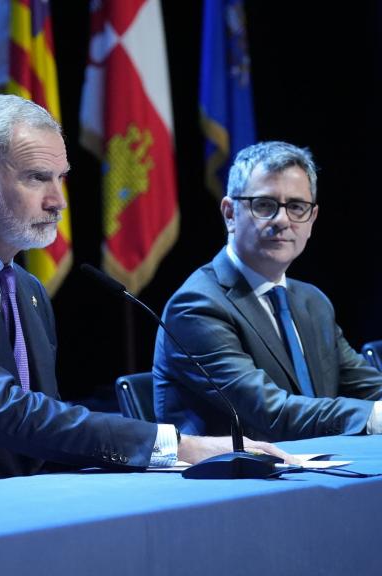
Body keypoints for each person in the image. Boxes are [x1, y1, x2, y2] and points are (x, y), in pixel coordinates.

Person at [0, 95, 286, 500]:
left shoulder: (26, 290)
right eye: (36, 179)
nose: (58, 201)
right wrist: (178, 446)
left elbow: (43, 429)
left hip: (5, 510)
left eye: (60, 178)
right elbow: (12, 415)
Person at [154, 141, 382, 441]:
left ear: (311, 219)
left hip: (319, 471)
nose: (283, 220)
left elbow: (364, 385)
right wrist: (372, 416)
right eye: (264, 205)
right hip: (239, 481)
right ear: (230, 214)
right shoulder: (197, 305)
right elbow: (268, 413)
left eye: (297, 207)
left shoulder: (313, 301)